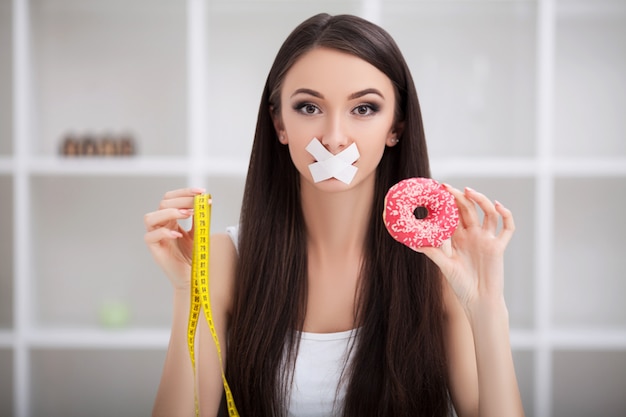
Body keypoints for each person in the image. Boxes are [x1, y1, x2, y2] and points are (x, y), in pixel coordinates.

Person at [144, 13, 525, 417]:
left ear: (395, 128)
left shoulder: (438, 267)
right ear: (279, 124)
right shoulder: (223, 260)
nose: (334, 137)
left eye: (364, 109)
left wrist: (486, 306)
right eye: (309, 107)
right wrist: (188, 292)